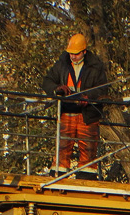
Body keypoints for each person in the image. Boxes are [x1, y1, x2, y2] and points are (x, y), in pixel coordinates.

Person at [42, 33, 108, 176]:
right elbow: (47, 81)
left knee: (89, 151)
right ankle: (58, 177)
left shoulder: (96, 67)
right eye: (71, 53)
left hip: (88, 115)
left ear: (84, 52)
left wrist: (88, 97)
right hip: (66, 112)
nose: (73, 56)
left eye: (76, 54)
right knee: (62, 148)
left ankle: (87, 179)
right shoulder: (62, 64)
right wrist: (57, 88)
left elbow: (103, 89)